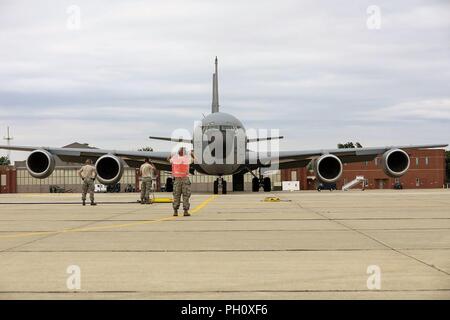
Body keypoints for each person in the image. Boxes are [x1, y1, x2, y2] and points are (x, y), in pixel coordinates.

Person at [168, 147, 195, 216]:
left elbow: (168, 159)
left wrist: (172, 154)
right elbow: (194, 159)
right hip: (185, 178)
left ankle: (175, 211)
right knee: (186, 195)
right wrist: (191, 153)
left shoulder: (174, 159)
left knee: (176, 195)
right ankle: (185, 211)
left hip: (177, 179)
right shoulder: (187, 159)